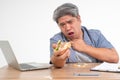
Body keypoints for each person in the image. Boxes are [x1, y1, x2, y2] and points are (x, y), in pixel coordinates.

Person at [50, 3, 119, 68]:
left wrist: (84, 47)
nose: (67, 28)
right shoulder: (56, 40)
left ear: (79, 19)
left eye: (70, 22)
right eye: (62, 25)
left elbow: (114, 58)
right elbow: (57, 64)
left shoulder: (95, 35)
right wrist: (58, 58)